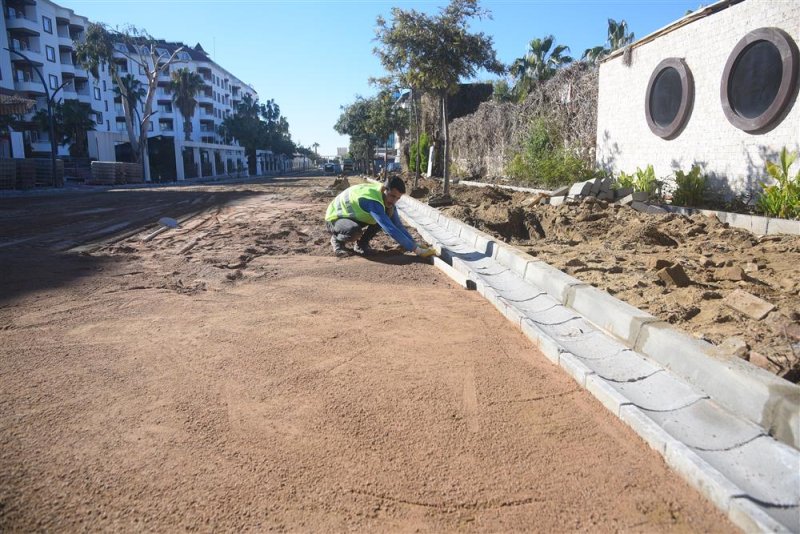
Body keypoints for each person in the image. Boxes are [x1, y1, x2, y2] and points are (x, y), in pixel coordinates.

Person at [324, 176, 437, 258]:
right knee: (354, 231)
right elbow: (390, 229)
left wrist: (415, 244)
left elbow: (398, 225)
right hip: (335, 219)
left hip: (353, 217)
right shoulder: (373, 201)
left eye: (397, 198)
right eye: (392, 196)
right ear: (384, 190)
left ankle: (361, 245)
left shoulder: (387, 201)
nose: (394, 201)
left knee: (387, 214)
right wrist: (416, 250)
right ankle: (337, 241)